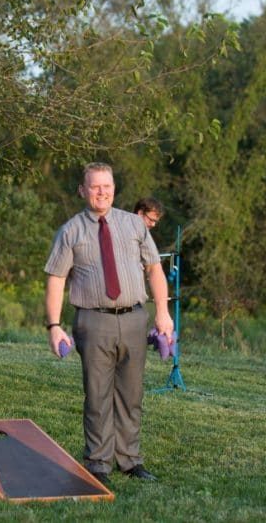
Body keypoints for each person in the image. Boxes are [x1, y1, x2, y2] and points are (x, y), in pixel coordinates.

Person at [44, 163, 174, 483]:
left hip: (134, 319)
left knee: (131, 394)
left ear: (114, 188)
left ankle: (130, 460)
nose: (102, 192)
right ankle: (99, 463)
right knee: (98, 394)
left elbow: (155, 269)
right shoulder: (71, 230)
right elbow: (56, 279)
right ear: (82, 190)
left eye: (107, 186)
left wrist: (163, 313)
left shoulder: (134, 224)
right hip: (93, 321)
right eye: (95, 186)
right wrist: (54, 325)